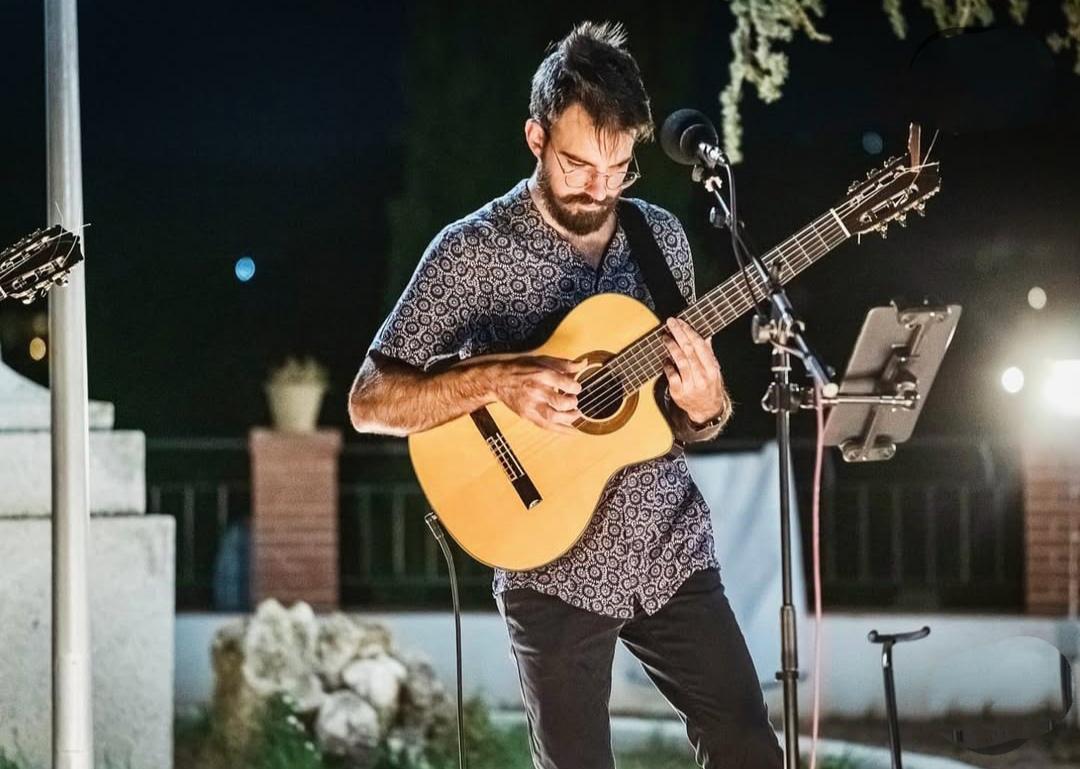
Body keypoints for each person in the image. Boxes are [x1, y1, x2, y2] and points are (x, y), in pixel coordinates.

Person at [348, 20, 783, 769]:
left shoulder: (661, 238)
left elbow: (677, 419)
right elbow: (370, 400)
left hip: (667, 544)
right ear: (536, 138)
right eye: (580, 163)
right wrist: (498, 378)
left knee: (750, 747)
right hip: (547, 560)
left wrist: (706, 403)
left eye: (619, 168)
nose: (600, 186)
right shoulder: (471, 251)